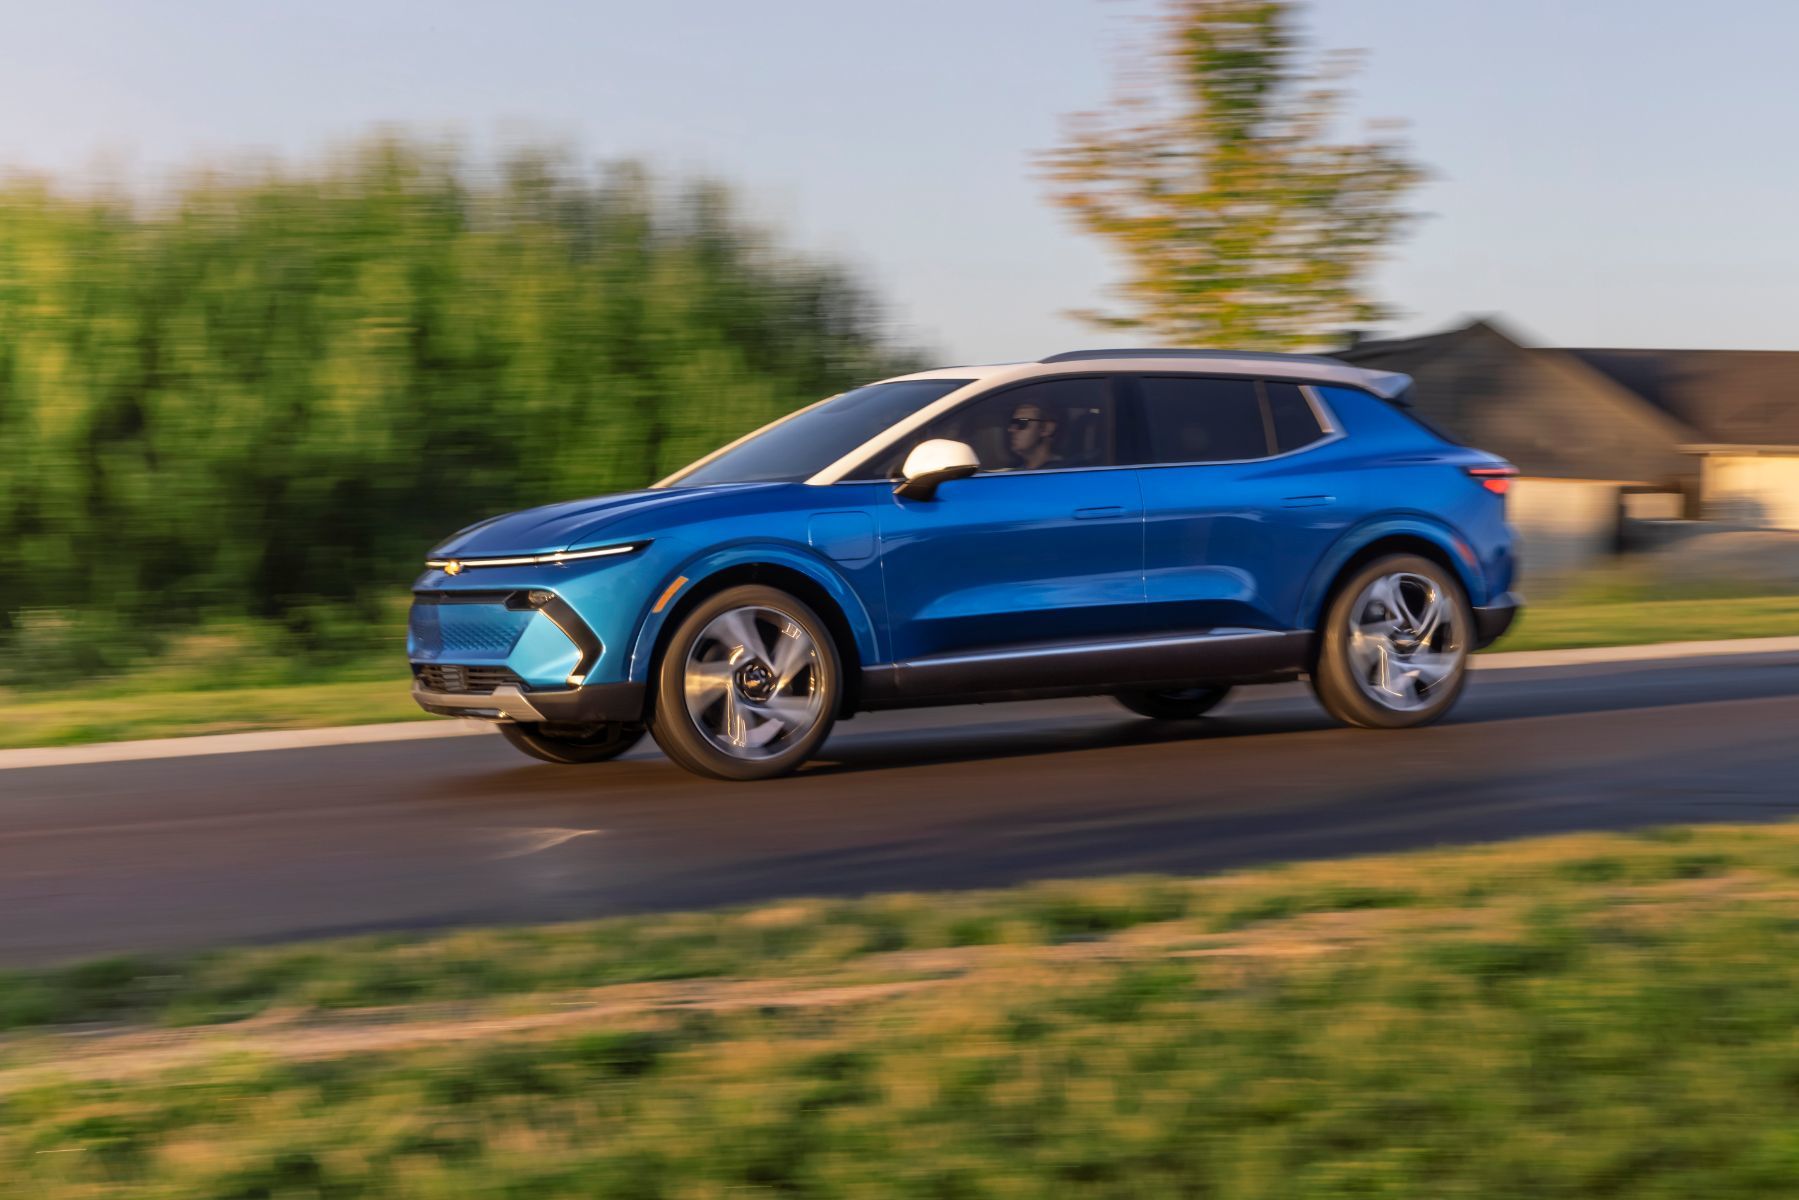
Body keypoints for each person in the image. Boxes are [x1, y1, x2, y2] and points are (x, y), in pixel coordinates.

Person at [1004, 402, 1062, 470]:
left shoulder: (1063, 471)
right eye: (1013, 423)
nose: (1011, 429)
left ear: (1047, 428)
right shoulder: (1014, 473)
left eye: (1022, 423)